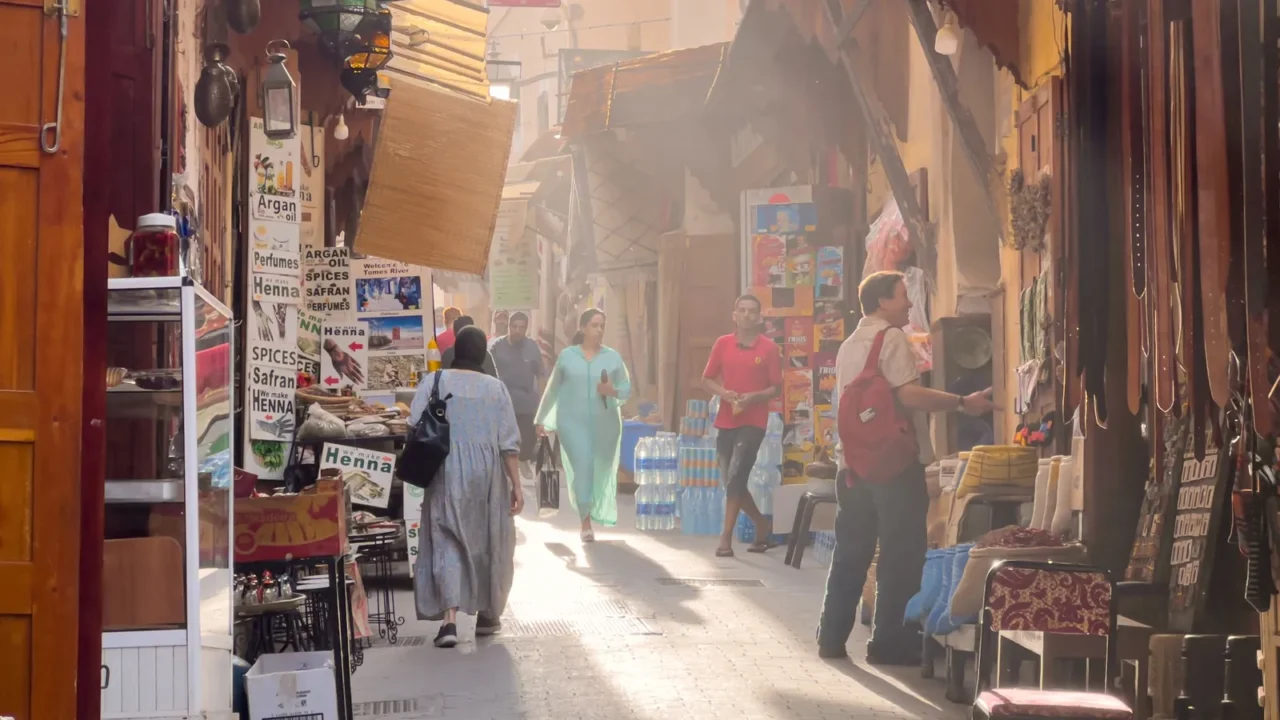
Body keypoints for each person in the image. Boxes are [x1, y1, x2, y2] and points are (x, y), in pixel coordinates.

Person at [817, 270, 997, 665]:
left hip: (852, 466)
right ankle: (889, 643)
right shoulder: (891, 337)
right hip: (894, 466)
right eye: (902, 297)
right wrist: (962, 403)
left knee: (851, 552)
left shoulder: (849, 344)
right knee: (901, 555)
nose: (910, 303)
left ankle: (830, 638)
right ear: (883, 302)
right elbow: (909, 394)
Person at [409, 326, 524, 649]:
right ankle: (487, 613)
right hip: (487, 477)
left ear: (455, 350)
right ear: (482, 353)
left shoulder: (434, 381)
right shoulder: (496, 388)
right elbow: (509, 444)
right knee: (489, 540)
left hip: (445, 470)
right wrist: (517, 486)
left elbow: (412, 423)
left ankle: (449, 622)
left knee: (446, 539)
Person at [534, 309, 632, 543]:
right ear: (583, 328)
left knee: (599, 469)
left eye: (602, 326)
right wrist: (541, 419)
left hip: (604, 424)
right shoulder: (567, 357)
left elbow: (626, 390)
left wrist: (612, 391)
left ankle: (592, 506)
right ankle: (585, 521)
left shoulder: (612, 358)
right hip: (571, 422)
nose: (599, 330)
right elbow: (553, 389)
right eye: (594, 325)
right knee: (583, 465)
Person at [702, 294, 783, 558]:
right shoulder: (722, 344)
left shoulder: (769, 349)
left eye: (752, 311)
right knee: (730, 480)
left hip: (754, 420)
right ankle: (761, 523)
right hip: (726, 418)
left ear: (759, 317)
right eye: (742, 310)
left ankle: (725, 538)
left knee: (737, 475)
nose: (747, 315)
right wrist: (724, 394)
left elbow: (775, 388)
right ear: (734, 315)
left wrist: (754, 397)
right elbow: (707, 379)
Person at [490, 312, 545, 479]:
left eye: (522, 327)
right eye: (514, 326)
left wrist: (543, 400)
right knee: (505, 439)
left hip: (527, 400)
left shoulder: (532, 347)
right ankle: (505, 469)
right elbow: (488, 373)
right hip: (503, 401)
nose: (518, 330)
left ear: (526, 329)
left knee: (528, 437)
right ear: (509, 326)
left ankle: (523, 459)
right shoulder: (497, 347)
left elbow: (541, 374)